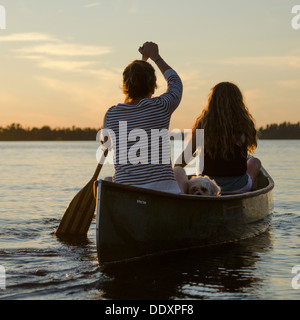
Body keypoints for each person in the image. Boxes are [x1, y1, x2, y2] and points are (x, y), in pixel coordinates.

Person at [100, 42, 185, 193]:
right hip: (163, 193)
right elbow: (175, 82)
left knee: (107, 180)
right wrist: (155, 57)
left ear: (125, 86)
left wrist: (139, 66)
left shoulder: (112, 114)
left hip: (127, 193)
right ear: (153, 86)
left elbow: (105, 146)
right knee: (179, 172)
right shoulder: (161, 106)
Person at [174, 81, 261, 194]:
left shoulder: (204, 124)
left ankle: (181, 197)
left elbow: (186, 157)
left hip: (208, 186)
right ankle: (250, 192)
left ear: (212, 101)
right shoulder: (245, 124)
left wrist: (177, 168)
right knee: (255, 161)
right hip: (239, 188)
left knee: (177, 170)